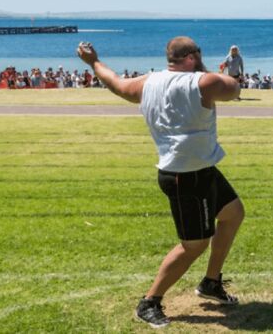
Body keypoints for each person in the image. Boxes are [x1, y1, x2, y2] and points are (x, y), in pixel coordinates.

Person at [77, 37, 245, 328]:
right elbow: (233, 88)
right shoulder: (202, 83)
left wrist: (93, 62)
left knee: (233, 214)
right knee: (194, 245)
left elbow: (116, 83)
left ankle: (211, 282)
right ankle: (150, 302)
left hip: (202, 168)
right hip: (185, 176)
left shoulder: (148, 82)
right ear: (192, 57)